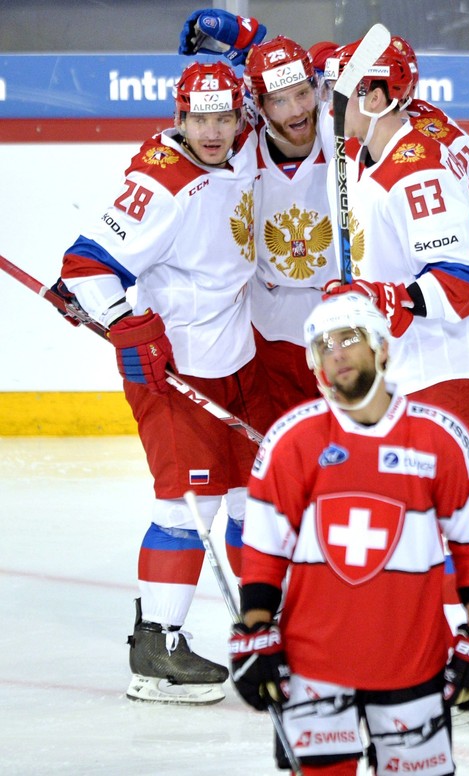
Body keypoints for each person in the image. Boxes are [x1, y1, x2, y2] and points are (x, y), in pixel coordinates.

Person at [323, 37, 469, 722]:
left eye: (339, 91)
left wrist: (392, 300)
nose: (326, 105)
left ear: (376, 95)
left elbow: (458, 278)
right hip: (433, 361)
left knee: (447, 507)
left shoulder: (413, 167)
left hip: (442, 362)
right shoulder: (385, 144)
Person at [55, 60, 275, 704]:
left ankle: (264, 623)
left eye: (224, 117)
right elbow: (85, 265)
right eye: (199, 118)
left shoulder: (241, 152)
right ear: (179, 119)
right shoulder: (161, 183)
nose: (212, 131)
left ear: (242, 118)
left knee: (249, 503)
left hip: (235, 360)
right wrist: (129, 322)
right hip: (175, 374)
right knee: (185, 509)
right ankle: (158, 647)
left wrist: (243, 39)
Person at [228, 293, 469, 775]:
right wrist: (255, 627)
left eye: (349, 339)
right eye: (322, 346)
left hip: (413, 661)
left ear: (382, 348)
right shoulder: (291, 440)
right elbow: (264, 550)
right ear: (314, 366)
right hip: (313, 664)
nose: (336, 352)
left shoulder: (440, 438)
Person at [180, 11, 339, 417]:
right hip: (268, 326)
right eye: (279, 100)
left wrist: (246, 36)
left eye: (302, 93)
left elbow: (330, 59)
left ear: (317, 87)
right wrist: (246, 41)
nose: (295, 110)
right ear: (259, 106)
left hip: (343, 320)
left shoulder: (344, 132)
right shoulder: (242, 143)